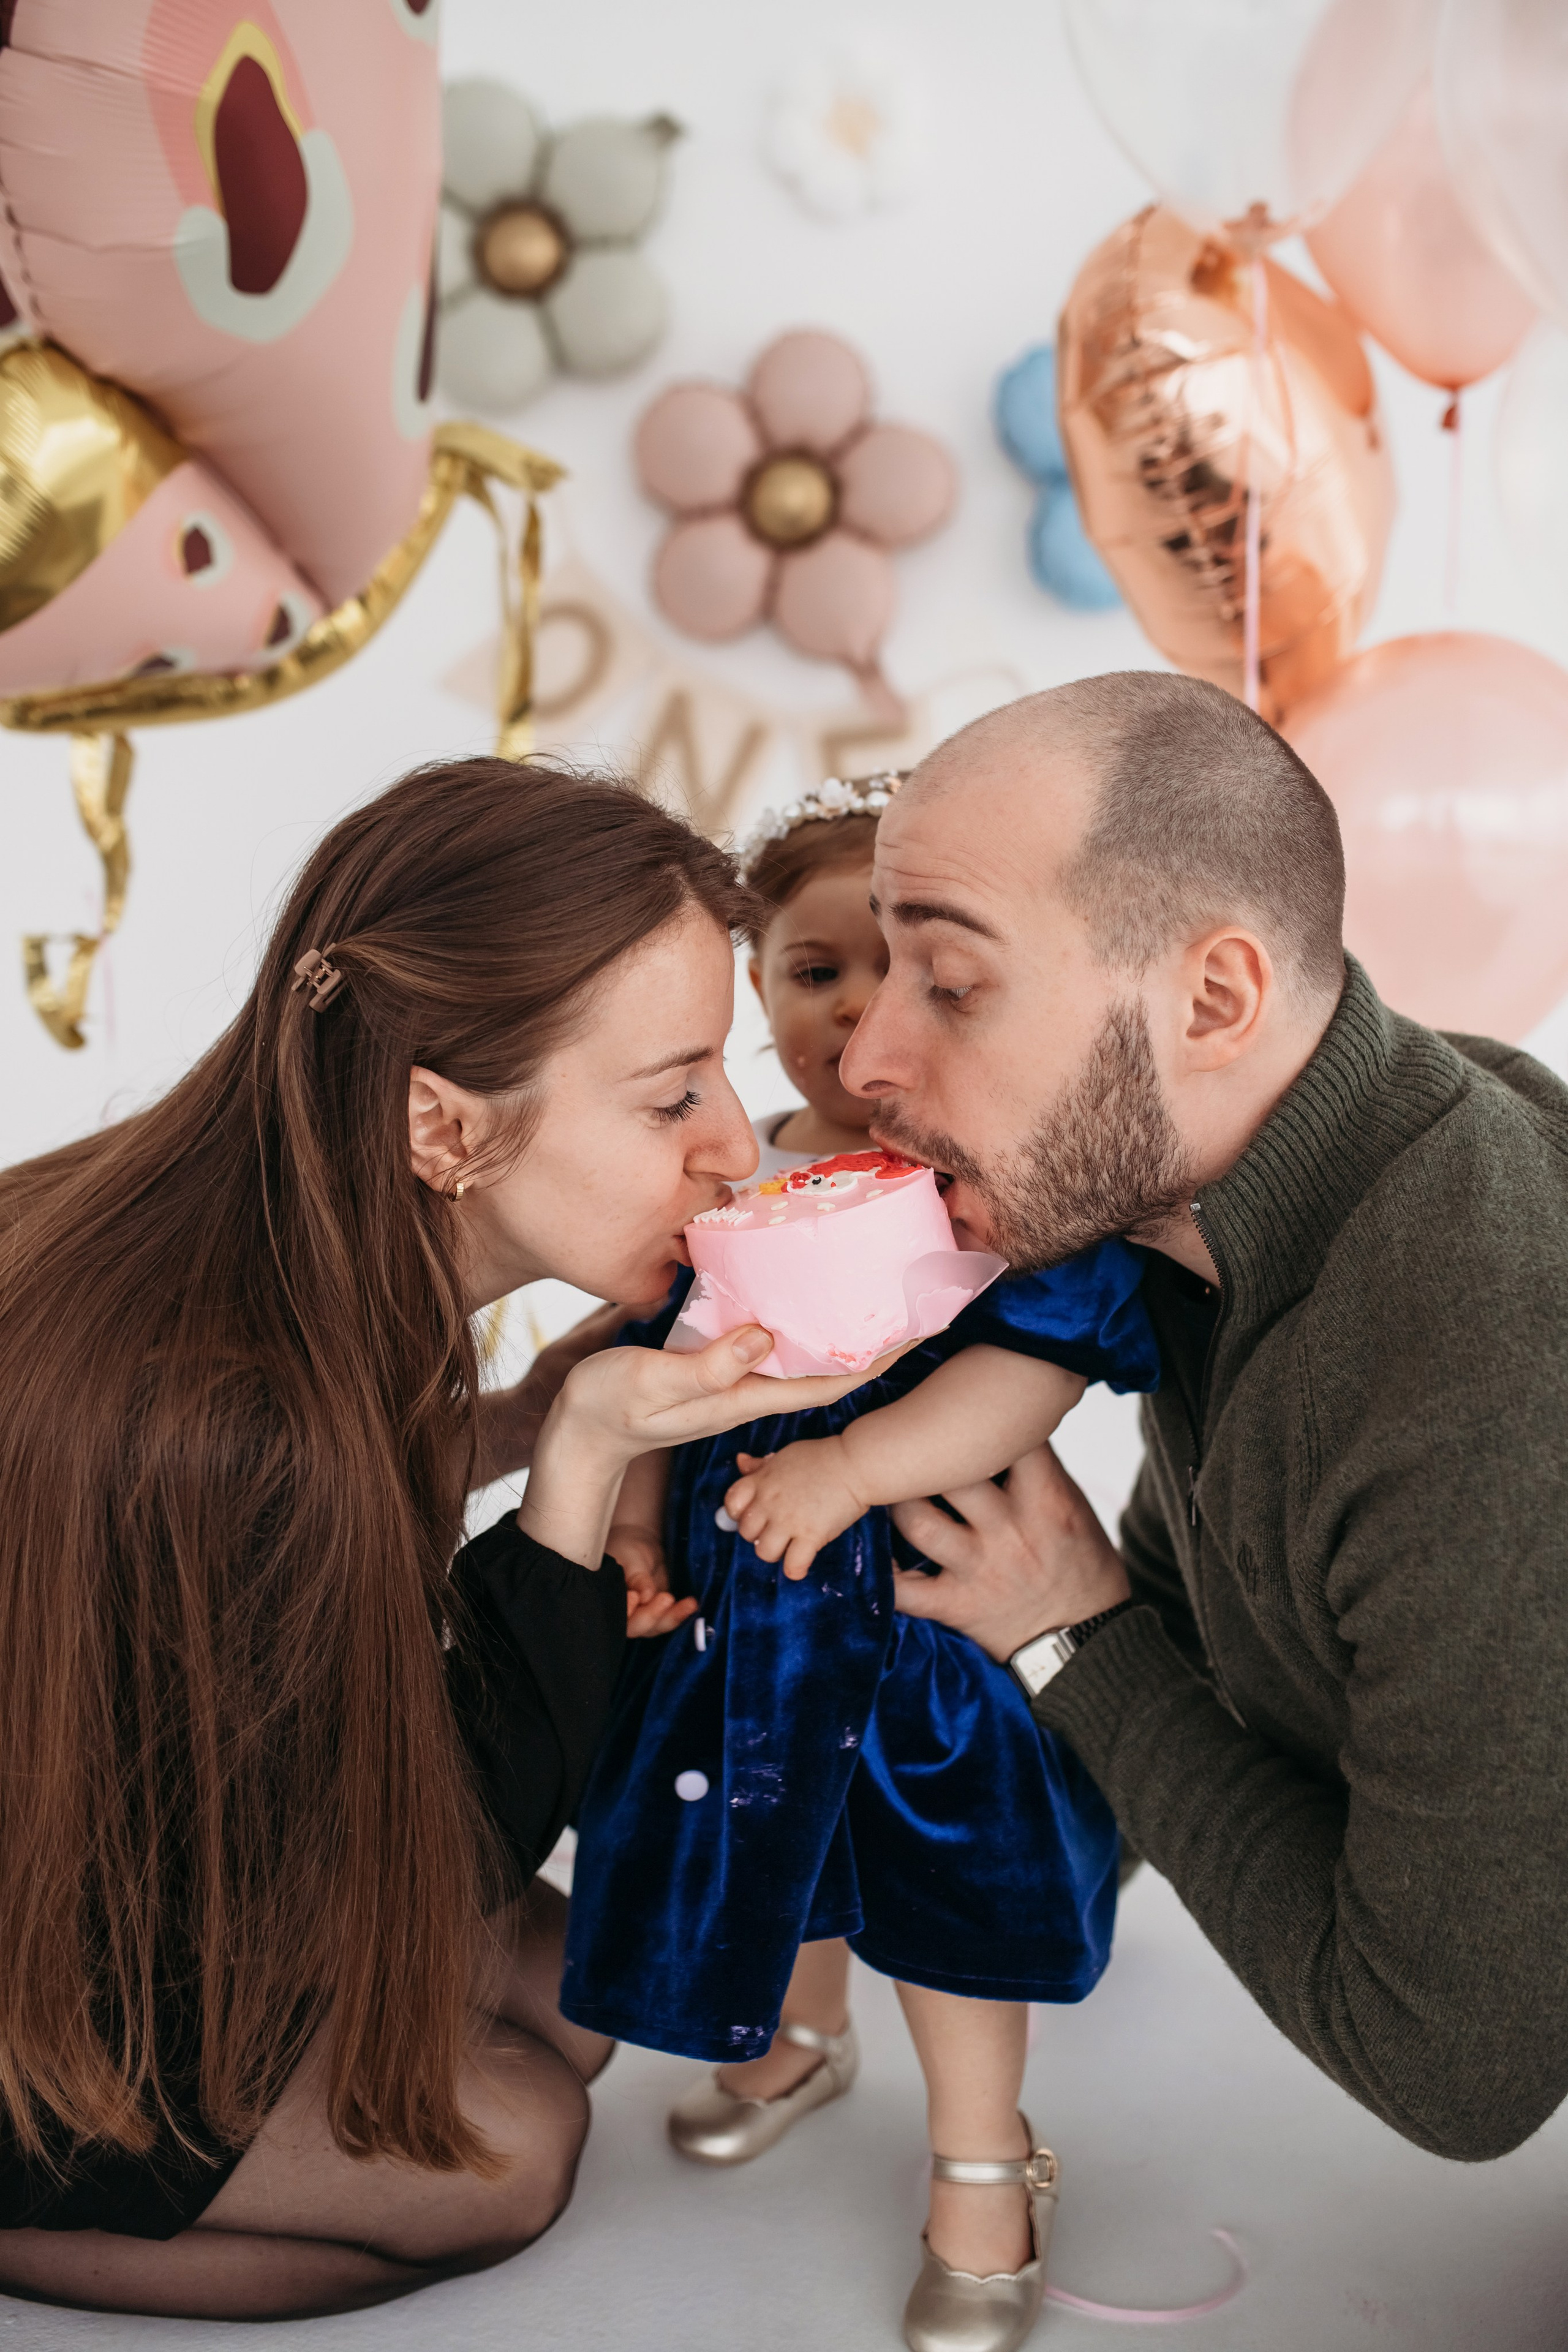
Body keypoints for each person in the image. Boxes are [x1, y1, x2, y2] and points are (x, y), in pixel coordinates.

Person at [0, 756, 866, 2323]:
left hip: (175, 1845)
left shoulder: (297, 1249)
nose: (736, 1146)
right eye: (671, 1094)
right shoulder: (226, 1408)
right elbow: (409, 1843)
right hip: (73, 1945)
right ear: (438, 1123)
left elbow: (321, 1551)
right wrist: (585, 1460)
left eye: (722, 1075)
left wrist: (526, 1418)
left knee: (576, 2003)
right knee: (514, 2143)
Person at [835, 672, 1568, 2168]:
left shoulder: (1482, 1350)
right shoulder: (1205, 1216)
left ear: (1211, 1000)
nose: (864, 1063)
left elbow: (1453, 2070)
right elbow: (1214, 1601)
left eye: (953, 985)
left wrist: (1066, 1636)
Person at [559, 775, 1159, 2352]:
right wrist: (628, 1526)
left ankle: (981, 2154)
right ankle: (794, 2032)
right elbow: (652, 1368)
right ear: (754, 988)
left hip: (924, 1619)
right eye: (811, 971)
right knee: (774, 1847)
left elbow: (1031, 1365)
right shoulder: (726, 1176)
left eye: (904, 973)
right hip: (744, 1620)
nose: (854, 1013)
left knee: (944, 1888)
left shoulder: (996, 1173)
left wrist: (852, 1465)